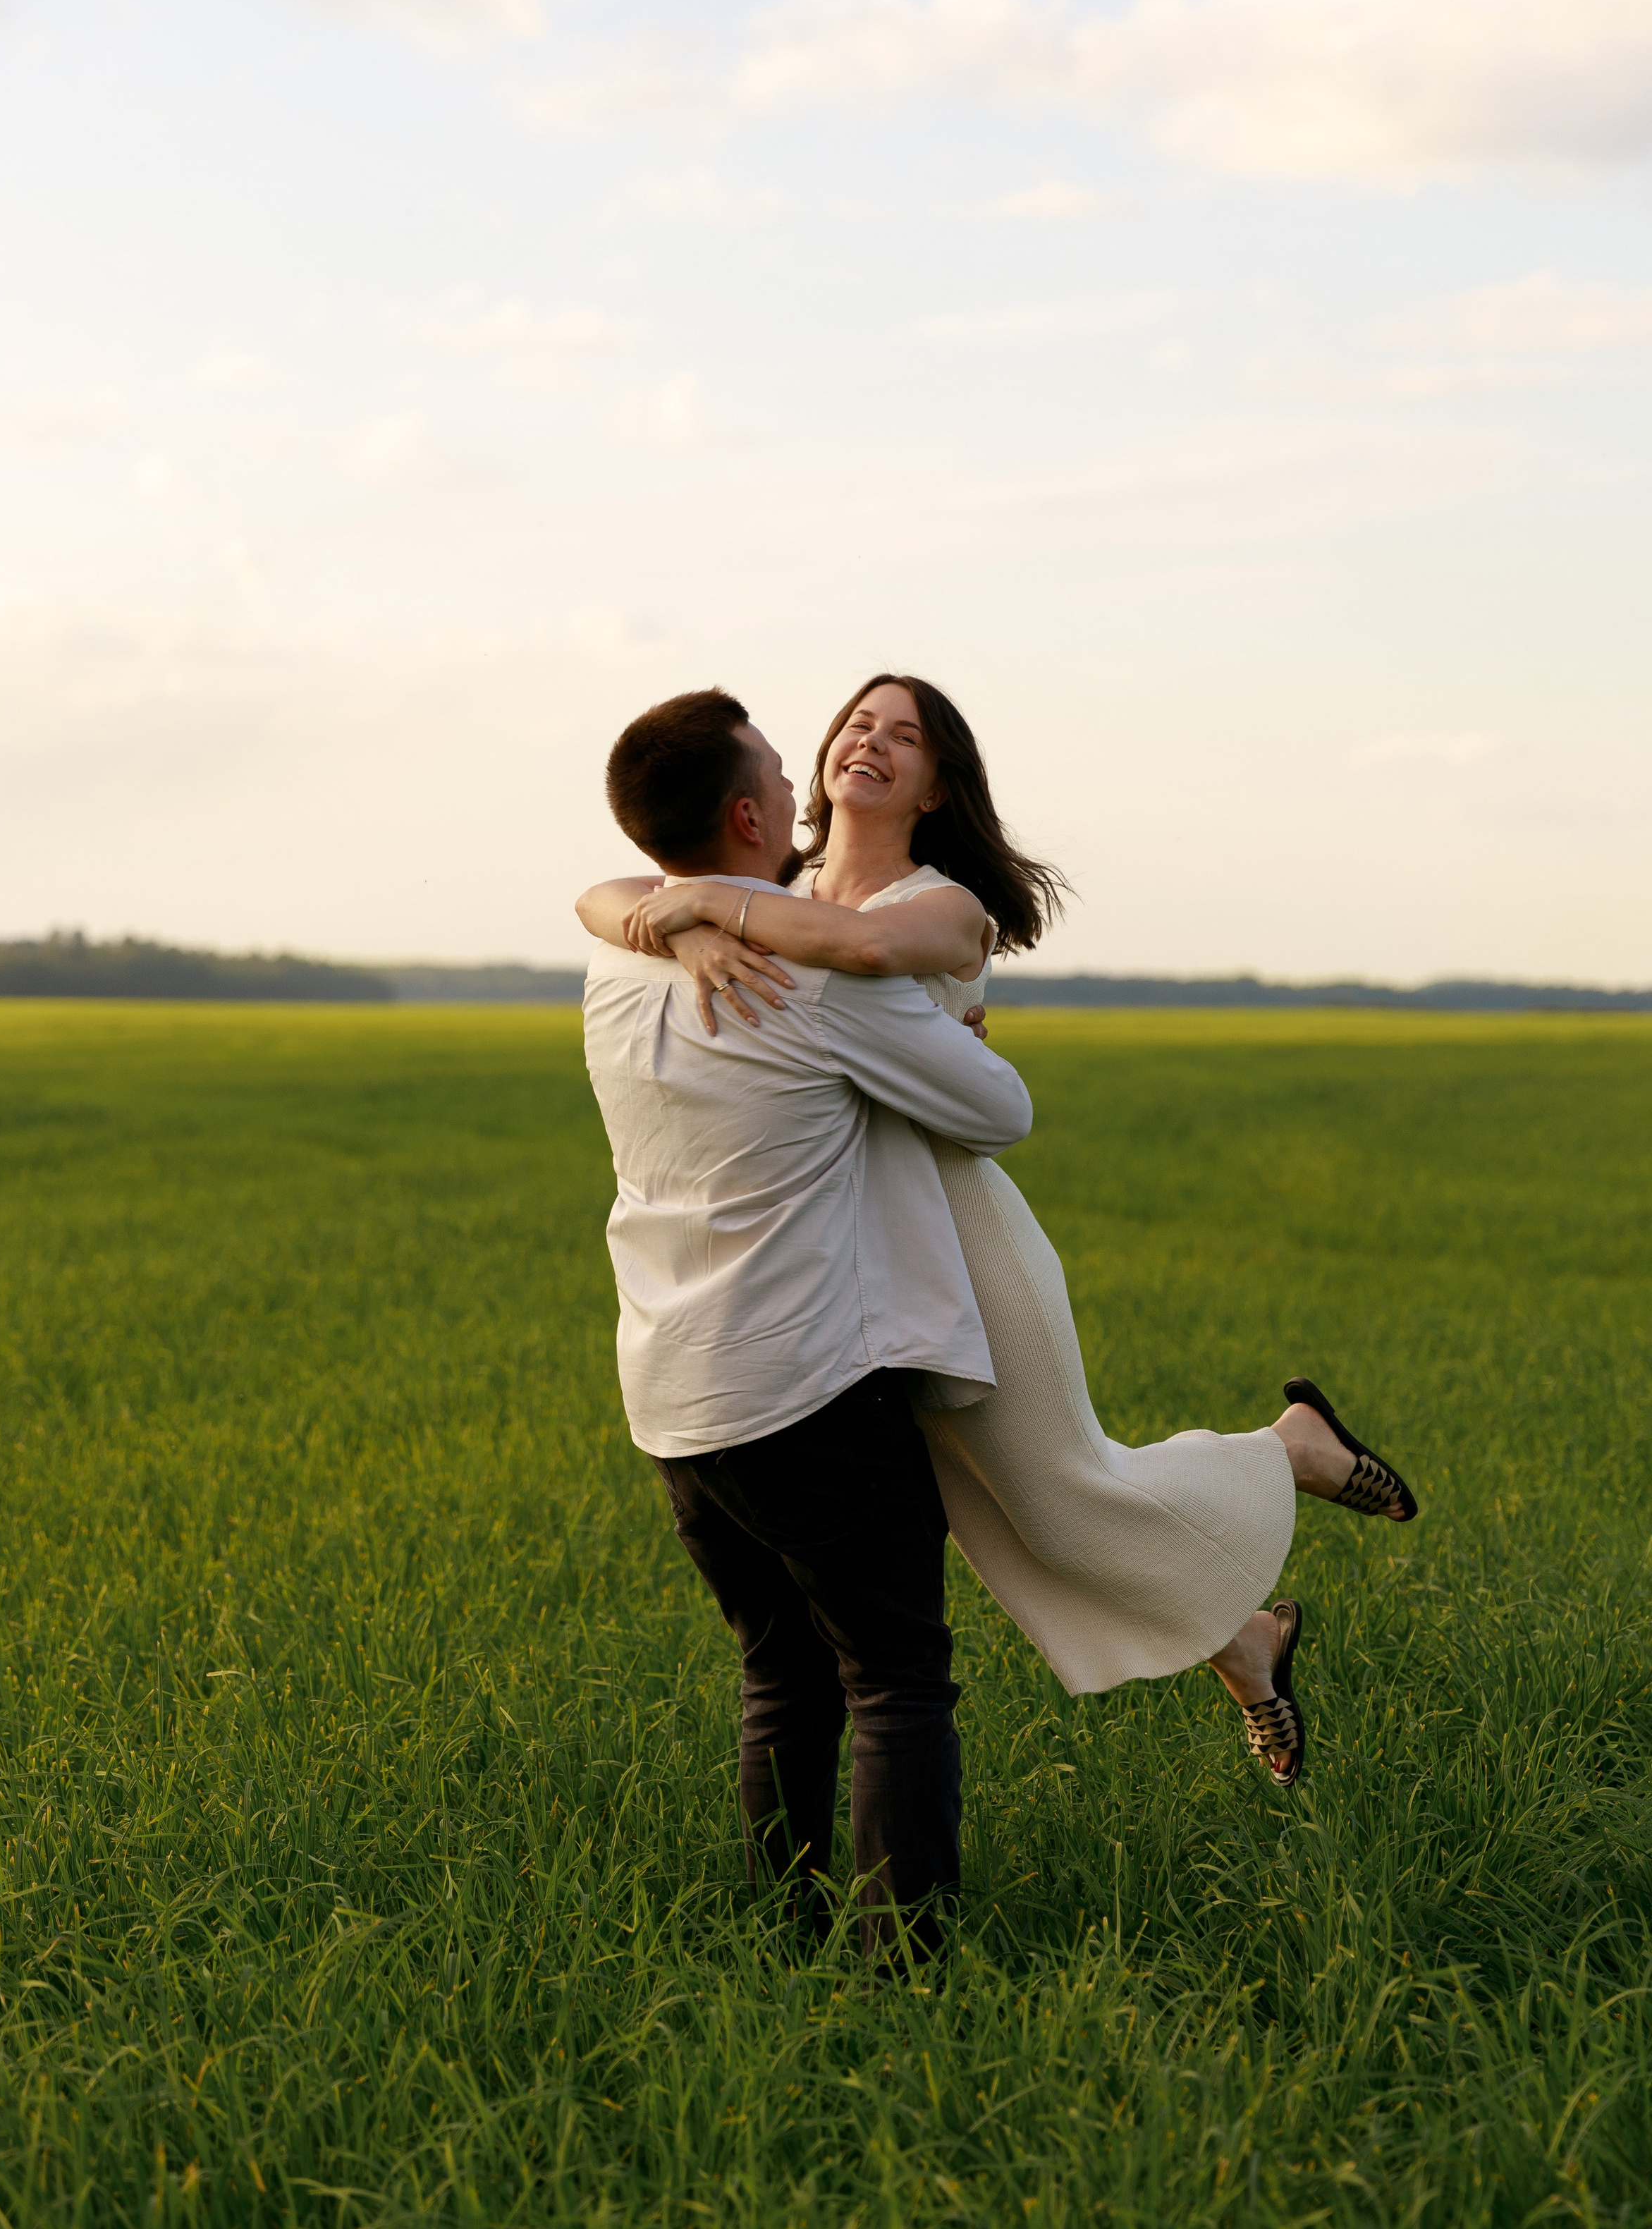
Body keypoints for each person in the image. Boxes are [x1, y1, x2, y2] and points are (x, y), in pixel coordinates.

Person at [579, 672, 1419, 1790]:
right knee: (1002, 1521)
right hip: (852, 1269)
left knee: (1062, 1497)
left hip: (957, 1235)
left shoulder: (939, 905)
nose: (870, 741)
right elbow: (608, 894)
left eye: (905, 736)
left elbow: (857, 955)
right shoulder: (776, 886)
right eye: (858, 722)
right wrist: (681, 922)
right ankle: (1242, 1640)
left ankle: (1286, 1450)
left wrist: (700, 913)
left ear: (937, 787)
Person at [578, 686, 1034, 1959]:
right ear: (746, 815)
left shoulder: (614, 961)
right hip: (805, 1383)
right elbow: (999, 1111)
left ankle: (784, 1936)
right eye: (779, 772)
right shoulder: (815, 981)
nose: (799, 784)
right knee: (896, 1678)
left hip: (670, 1394)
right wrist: (950, 1037)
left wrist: (692, 913)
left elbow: (609, 897)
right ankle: (902, 1973)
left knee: (781, 1671)